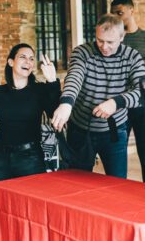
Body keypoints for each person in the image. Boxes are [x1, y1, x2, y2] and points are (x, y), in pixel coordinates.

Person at [52, 14, 145, 178]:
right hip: (80, 129)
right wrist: (66, 103)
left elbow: (141, 91)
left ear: (122, 37)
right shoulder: (82, 52)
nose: (104, 46)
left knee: (117, 184)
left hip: (115, 132)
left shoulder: (132, 57)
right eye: (100, 40)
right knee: (77, 182)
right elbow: (74, 77)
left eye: (110, 42)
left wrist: (116, 103)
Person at [0, 43, 60, 211]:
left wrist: (52, 82)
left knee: (34, 209)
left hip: (31, 158)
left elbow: (55, 115)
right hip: (0, 157)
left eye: (31, 58)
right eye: (23, 57)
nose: (28, 61)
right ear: (11, 62)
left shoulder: (39, 90)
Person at [111, 0, 145, 181]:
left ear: (132, 10)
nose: (117, 17)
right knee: (117, 154)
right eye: (114, 13)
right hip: (118, 105)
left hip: (142, 104)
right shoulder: (113, 41)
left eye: (120, 13)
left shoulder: (143, 38)